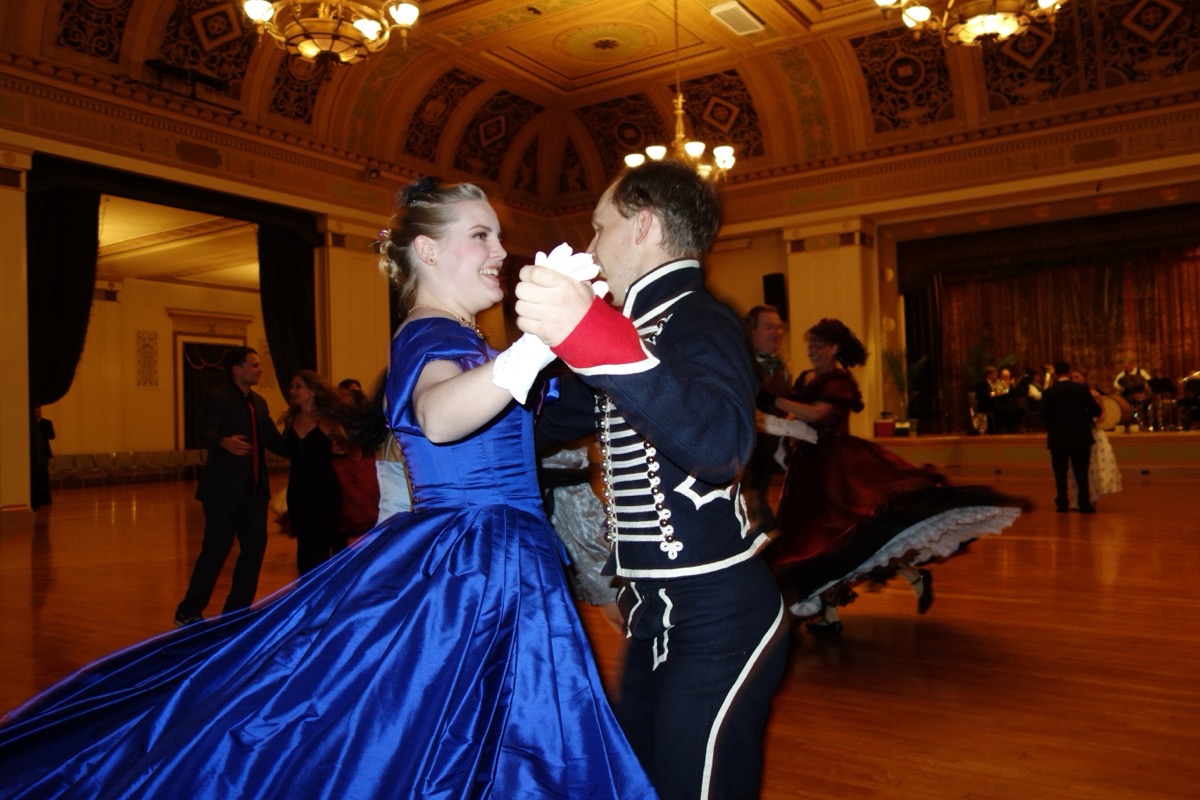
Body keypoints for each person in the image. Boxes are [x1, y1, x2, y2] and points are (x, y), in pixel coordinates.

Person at [0, 178, 655, 799]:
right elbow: (439, 415)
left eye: (497, 237)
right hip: (474, 560)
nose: (500, 251)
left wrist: (577, 334)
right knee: (465, 729)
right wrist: (536, 345)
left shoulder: (465, 337)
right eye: (481, 236)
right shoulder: (430, 331)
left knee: (470, 727)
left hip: (496, 554)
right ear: (426, 250)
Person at [517, 158, 788, 800]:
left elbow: (722, 443)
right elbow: (551, 421)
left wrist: (593, 336)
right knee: (636, 784)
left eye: (597, 228)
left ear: (642, 227)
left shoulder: (699, 319)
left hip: (721, 616)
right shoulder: (636, 330)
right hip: (654, 617)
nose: (590, 246)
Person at [760, 319, 1027, 634]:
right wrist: (780, 428)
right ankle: (830, 615)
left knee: (847, 533)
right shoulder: (806, 377)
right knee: (819, 540)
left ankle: (908, 578)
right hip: (806, 468)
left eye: (819, 344)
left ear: (834, 348)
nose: (812, 350)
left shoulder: (839, 381)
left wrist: (772, 402)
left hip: (836, 466)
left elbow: (819, 414)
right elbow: (798, 417)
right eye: (810, 344)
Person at [175, 346, 288, 627]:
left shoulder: (260, 403)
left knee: (254, 550)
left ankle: (236, 612)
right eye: (254, 365)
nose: (259, 369)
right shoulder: (217, 398)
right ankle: (188, 611)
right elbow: (204, 432)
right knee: (216, 550)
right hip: (222, 492)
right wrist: (223, 442)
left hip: (254, 492)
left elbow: (275, 442)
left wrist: (307, 440)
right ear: (237, 369)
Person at [279, 370, 349, 574]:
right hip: (298, 491)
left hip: (324, 491)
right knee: (304, 548)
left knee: (321, 548)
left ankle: (321, 599)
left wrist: (340, 446)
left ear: (312, 391)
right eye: (291, 387)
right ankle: (307, 599)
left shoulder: (328, 422)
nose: (292, 391)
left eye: (298, 386)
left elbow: (353, 451)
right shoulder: (290, 420)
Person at [744, 304, 791, 534]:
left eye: (779, 327)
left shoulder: (781, 367)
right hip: (747, 463)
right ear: (752, 331)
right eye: (769, 327)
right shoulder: (743, 366)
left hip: (769, 460)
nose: (776, 332)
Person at [1042, 361, 1102, 513]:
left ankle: (1062, 503)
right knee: (1081, 471)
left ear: (1055, 373)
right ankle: (1084, 503)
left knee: (1060, 472)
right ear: (1069, 372)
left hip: (1057, 438)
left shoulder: (1049, 392)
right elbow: (1095, 410)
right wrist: (1084, 415)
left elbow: (1042, 416)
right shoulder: (1081, 390)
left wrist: (1053, 427)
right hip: (1080, 436)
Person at [1068, 369, 1121, 509]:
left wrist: (1095, 425)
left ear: (1084, 378)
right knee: (1076, 469)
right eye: (1072, 377)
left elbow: (1102, 413)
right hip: (1077, 433)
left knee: (1093, 467)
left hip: (1092, 433)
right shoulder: (1071, 394)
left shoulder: (1094, 394)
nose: (1074, 379)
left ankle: (1092, 498)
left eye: (1077, 376)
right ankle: (1079, 499)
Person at [29, 406, 55, 510]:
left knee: (44, 476)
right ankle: (36, 499)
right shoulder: (30, 424)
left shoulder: (46, 423)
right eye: (35, 411)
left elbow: (52, 436)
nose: (37, 412)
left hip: (44, 453)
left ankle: (45, 499)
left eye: (39, 411)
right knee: (34, 477)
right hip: (33, 453)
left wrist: (41, 433)